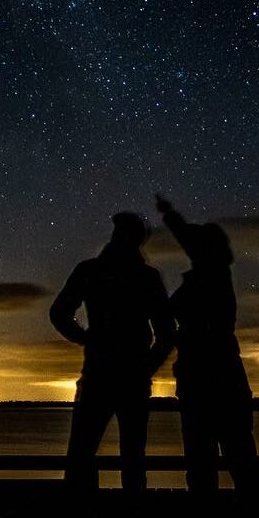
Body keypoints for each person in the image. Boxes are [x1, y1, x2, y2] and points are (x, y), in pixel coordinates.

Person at [50, 211, 175, 493]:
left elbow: (59, 313)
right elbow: (167, 332)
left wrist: (85, 338)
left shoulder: (93, 271)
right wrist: (146, 366)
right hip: (124, 377)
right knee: (130, 458)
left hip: (104, 374)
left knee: (84, 454)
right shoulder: (144, 277)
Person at [155, 194, 259, 496]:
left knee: (218, 460)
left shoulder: (210, 275)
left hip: (207, 380)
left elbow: (189, 241)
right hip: (216, 378)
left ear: (205, 249)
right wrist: (170, 215)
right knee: (234, 458)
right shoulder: (213, 272)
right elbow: (188, 239)